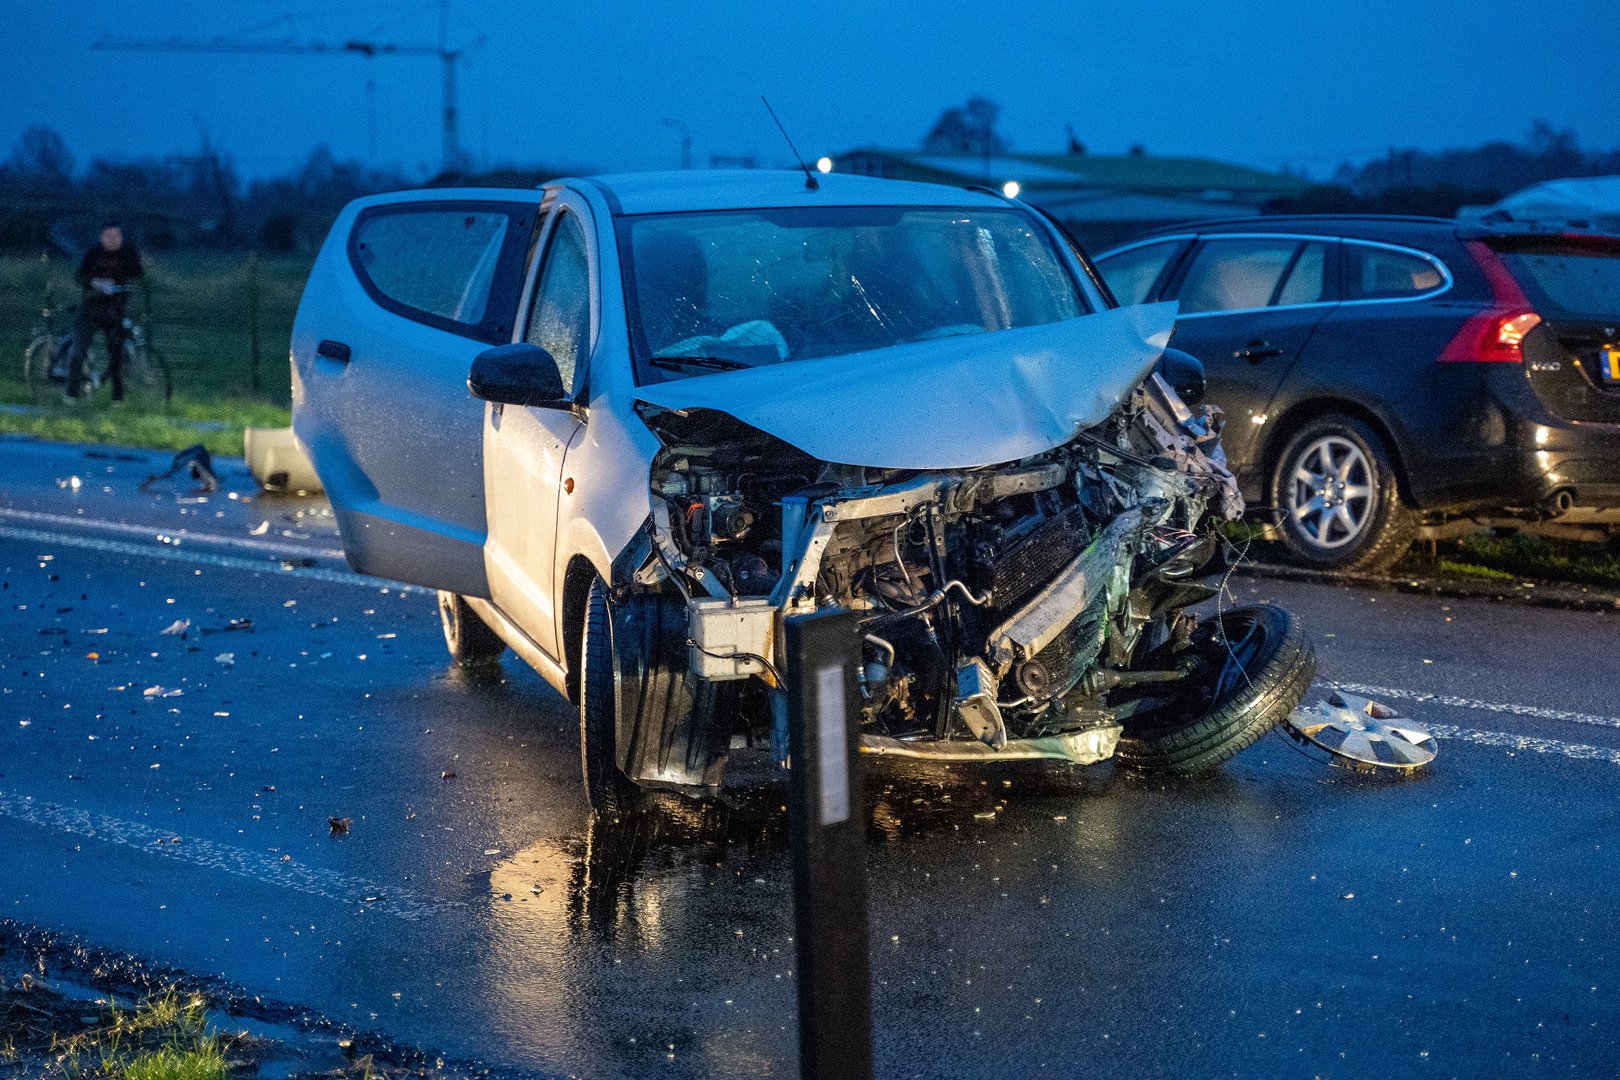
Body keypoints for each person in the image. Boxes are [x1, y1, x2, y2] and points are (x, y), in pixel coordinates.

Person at [67, 221, 145, 402]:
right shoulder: (94, 253)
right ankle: (71, 394)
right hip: (91, 309)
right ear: (102, 237)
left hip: (115, 309)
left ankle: (117, 397)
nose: (114, 240)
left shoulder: (128, 253)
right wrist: (94, 282)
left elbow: (138, 274)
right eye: (109, 236)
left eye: (117, 236)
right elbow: (80, 276)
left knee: (116, 352)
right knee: (78, 349)